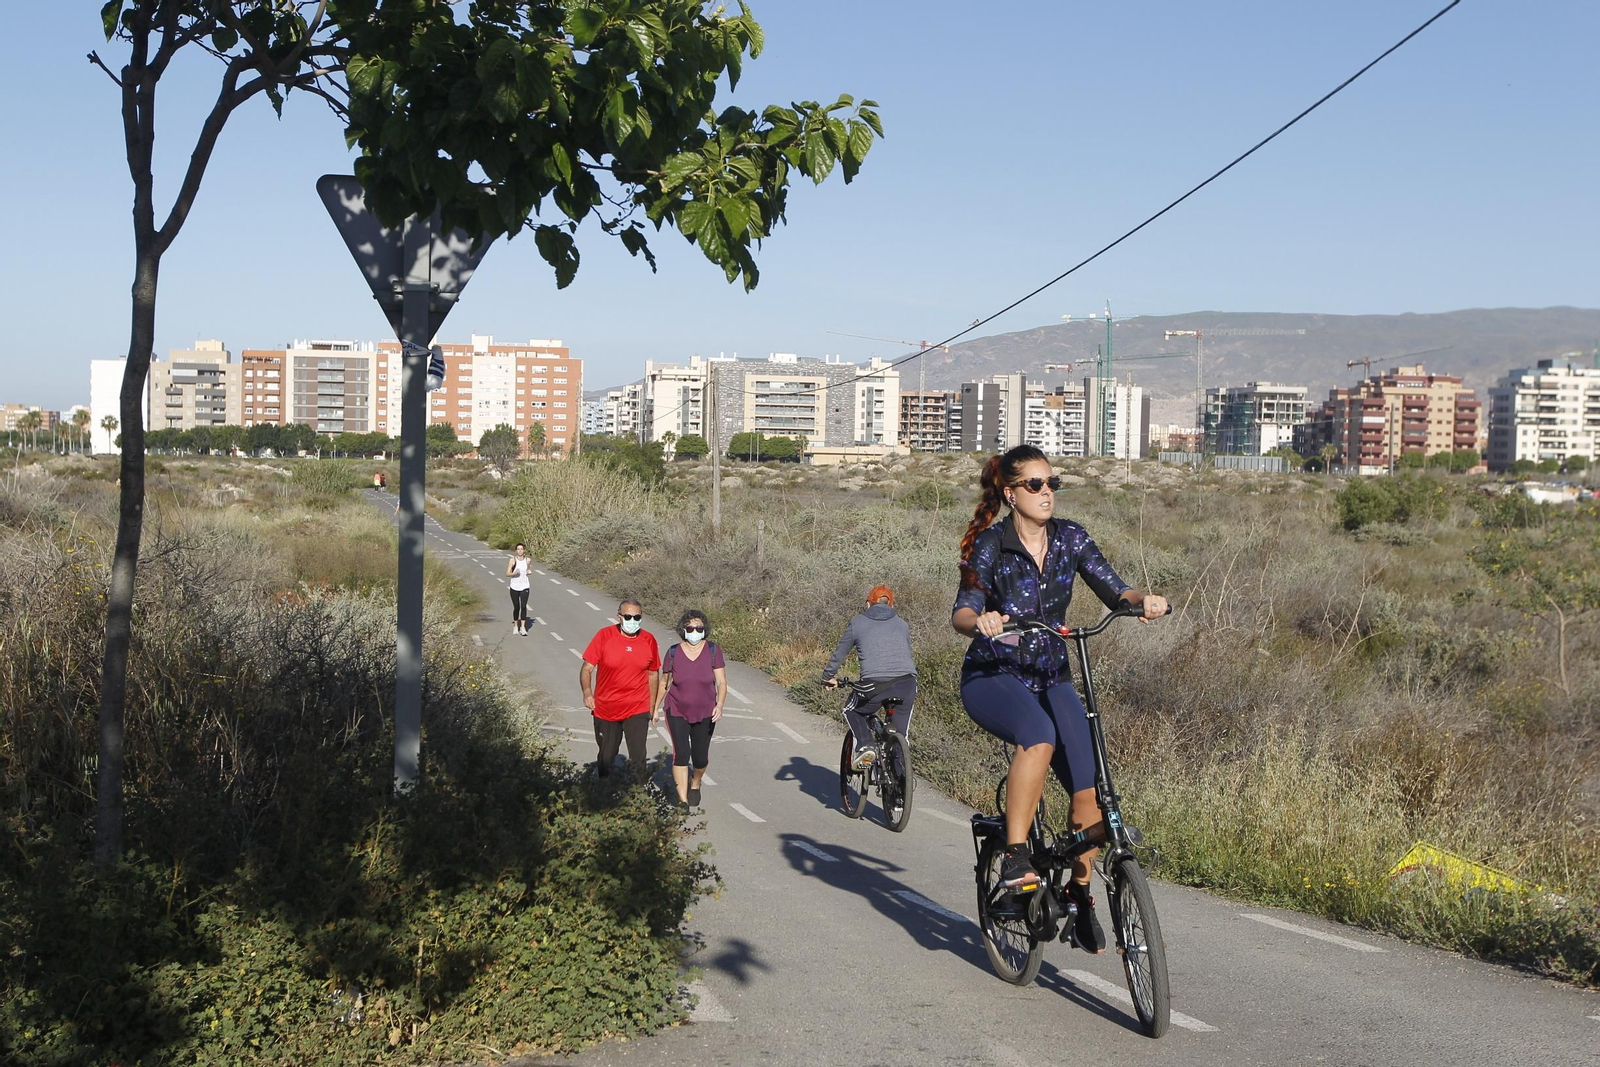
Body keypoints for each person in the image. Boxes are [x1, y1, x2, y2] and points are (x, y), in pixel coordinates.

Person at [950, 444, 1167, 954]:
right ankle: (1015, 855)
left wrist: (1143, 601)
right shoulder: (991, 545)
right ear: (1011, 494)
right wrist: (981, 620)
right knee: (1038, 735)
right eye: (1035, 485)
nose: (1047, 492)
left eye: (1052, 483)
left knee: (1088, 791)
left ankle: (1079, 892)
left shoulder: (1071, 538)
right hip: (993, 675)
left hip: (1053, 676)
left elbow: (1115, 589)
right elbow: (962, 611)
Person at [822, 584, 917, 771]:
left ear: (868, 604)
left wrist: (828, 676)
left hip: (874, 686)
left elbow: (840, 653)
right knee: (900, 735)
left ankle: (866, 745)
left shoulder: (858, 623)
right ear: (891, 605)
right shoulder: (902, 624)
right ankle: (901, 778)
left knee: (852, 710)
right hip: (907, 684)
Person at [652, 609, 726, 809]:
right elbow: (664, 682)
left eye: (699, 628)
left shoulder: (713, 650)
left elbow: (721, 682)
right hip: (677, 710)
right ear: (683, 629)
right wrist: (656, 708)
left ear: (704, 629)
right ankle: (682, 799)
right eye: (690, 628)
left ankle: (696, 782)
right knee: (681, 754)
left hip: (706, 712)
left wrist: (719, 705)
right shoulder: (673, 652)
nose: (694, 632)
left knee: (700, 757)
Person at [580, 598, 660, 779]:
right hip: (607, 707)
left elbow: (653, 673)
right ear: (619, 617)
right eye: (628, 617)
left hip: (637, 706)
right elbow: (587, 668)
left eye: (637, 617)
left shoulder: (648, 640)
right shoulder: (604, 636)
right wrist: (587, 693)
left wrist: (652, 706)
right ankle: (604, 790)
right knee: (607, 757)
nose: (633, 621)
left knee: (638, 757)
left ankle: (637, 794)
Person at [505, 542, 532, 636]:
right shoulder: (512, 560)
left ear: (524, 550)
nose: (520, 551)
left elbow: (527, 569)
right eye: (518, 549)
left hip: (525, 586)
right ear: (516, 551)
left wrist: (528, 571)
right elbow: (507, 573)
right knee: (517, 607)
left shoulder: (528, 560)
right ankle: (516, 626)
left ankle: (523, 627)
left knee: (523, 606)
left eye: (521, 549)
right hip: (514, 586)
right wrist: (514, 573)